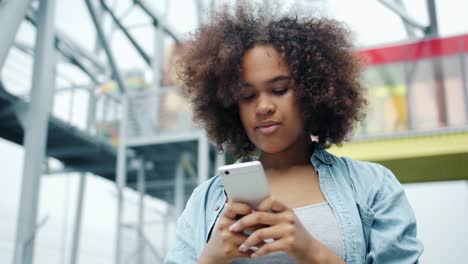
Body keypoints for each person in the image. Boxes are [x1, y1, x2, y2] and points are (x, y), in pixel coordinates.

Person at [164, 2, 424, 263]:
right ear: (232, 106)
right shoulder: (205, 200)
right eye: (248, 95)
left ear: (312, 92)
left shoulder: (373, 187)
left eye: (279, 90)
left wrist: (310, 251)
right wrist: (209, 259)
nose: (263, 106)